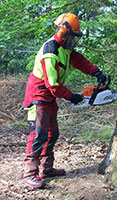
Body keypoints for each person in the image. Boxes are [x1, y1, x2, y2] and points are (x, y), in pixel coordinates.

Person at [23, 12, 106, 188]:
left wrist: (96, 72)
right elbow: (53, 85)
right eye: (72, 36)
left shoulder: (65, 49)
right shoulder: (50, 51)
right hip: (39, 94)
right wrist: (72, 96)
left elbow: (79, 60)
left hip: (50, 95)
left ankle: (46, 169)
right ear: (63, 31)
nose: (73, 40)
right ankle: (30, 173)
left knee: (53, 133)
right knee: (38, 134)